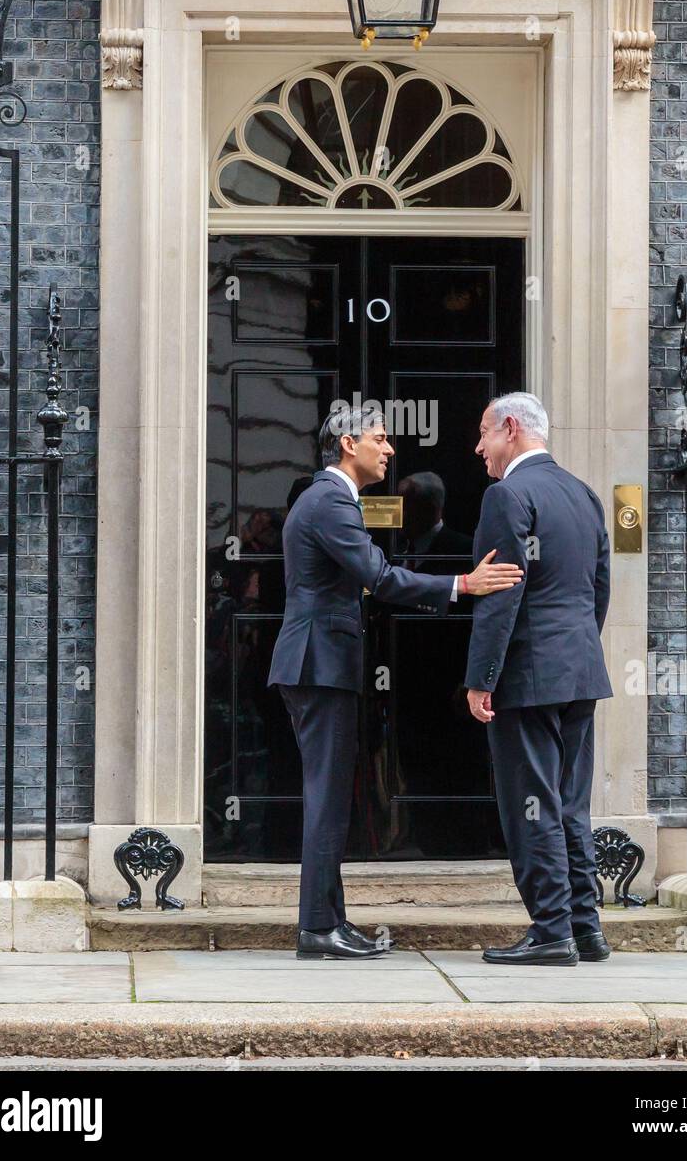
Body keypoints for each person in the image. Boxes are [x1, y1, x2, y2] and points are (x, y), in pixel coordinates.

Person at [268, 405, 524, 961]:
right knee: (327, 798)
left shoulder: (328, 499)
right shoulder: (331, 500)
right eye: (380, 439)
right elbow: (379, 577)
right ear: (346, 444)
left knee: (330, 794)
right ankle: (316, 928)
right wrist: (463, 583)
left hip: (321, 663)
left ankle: (330, 919)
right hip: (318, 664)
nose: (388, 450)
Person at [464, 392, 613, 967]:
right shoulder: (583, 493)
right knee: (570, 805)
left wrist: (482, 678)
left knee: (531, 804)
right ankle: (585, 927)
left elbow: (501, 593)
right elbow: (599, 590)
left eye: (483, 434)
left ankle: (552, 931)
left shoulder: (508, 495)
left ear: (509, 428)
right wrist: (576, 652)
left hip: (527, 676)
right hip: (579, 670)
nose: (479, 448)